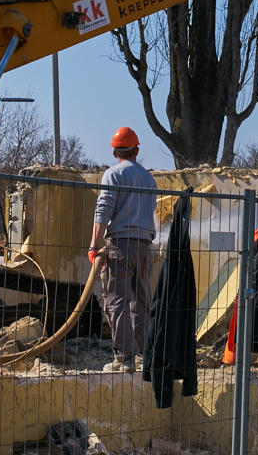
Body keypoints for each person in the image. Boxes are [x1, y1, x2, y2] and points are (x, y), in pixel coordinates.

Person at [89, 126, 158, 373]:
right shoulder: (149, 179)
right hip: (144, 248)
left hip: (119, 245)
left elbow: (103, 211)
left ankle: (124, 359)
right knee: (141, 301)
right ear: (136, 150)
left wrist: (94, 245)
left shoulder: (113, 174)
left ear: (115, 151)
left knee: (117, 300)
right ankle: (142, 355)